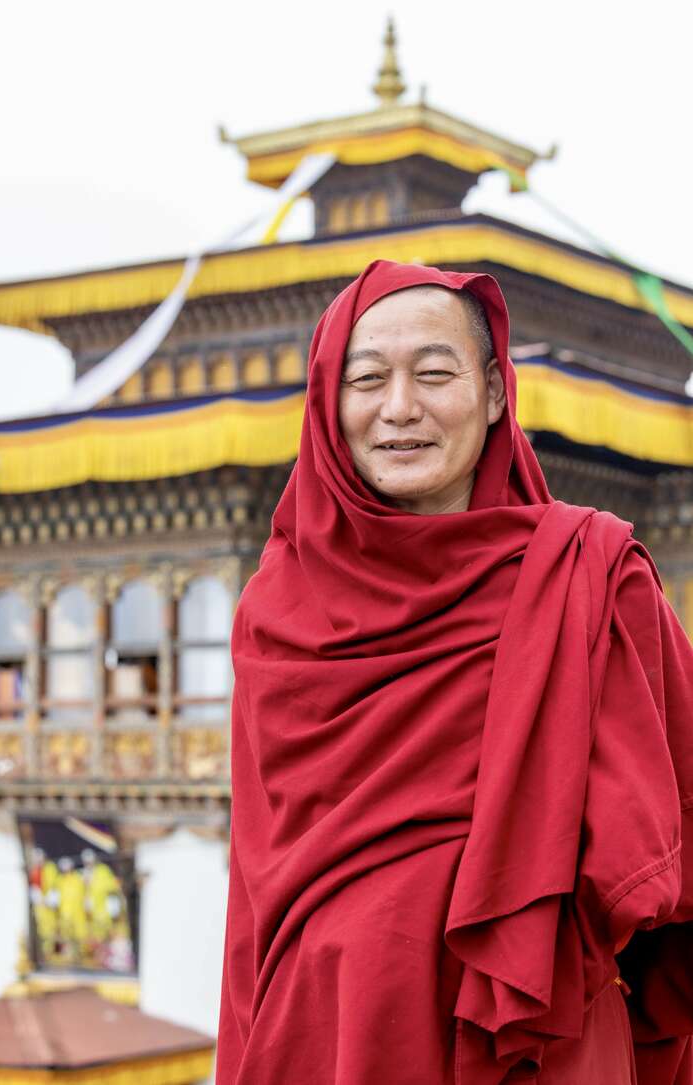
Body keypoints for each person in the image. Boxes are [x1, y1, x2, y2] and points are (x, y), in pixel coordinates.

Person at [216, 260, 693, 1084]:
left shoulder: (590, 571)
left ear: (496, 392)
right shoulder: (280, 612)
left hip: (544, 1031)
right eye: (367, 379)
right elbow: (258, 887)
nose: (400, 408)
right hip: (338, 1024)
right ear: (329, 404)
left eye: (434, 373)